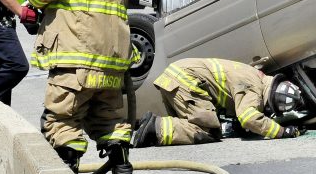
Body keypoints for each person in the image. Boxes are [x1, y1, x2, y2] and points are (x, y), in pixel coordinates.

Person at [26, 0, 135, 174]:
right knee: (108, 119)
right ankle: (122, 173)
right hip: (111, 66)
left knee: (62, 119)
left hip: (76, 62)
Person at [131, 58, 306, 147]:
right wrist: (282, 132)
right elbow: (248, 117)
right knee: (208, 131)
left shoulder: (254, 76)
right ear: (271, 98)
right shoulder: (255, 88)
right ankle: (154, 127)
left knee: (189, 126)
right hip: (186, 81)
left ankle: (151, 128)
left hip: (176, 76)